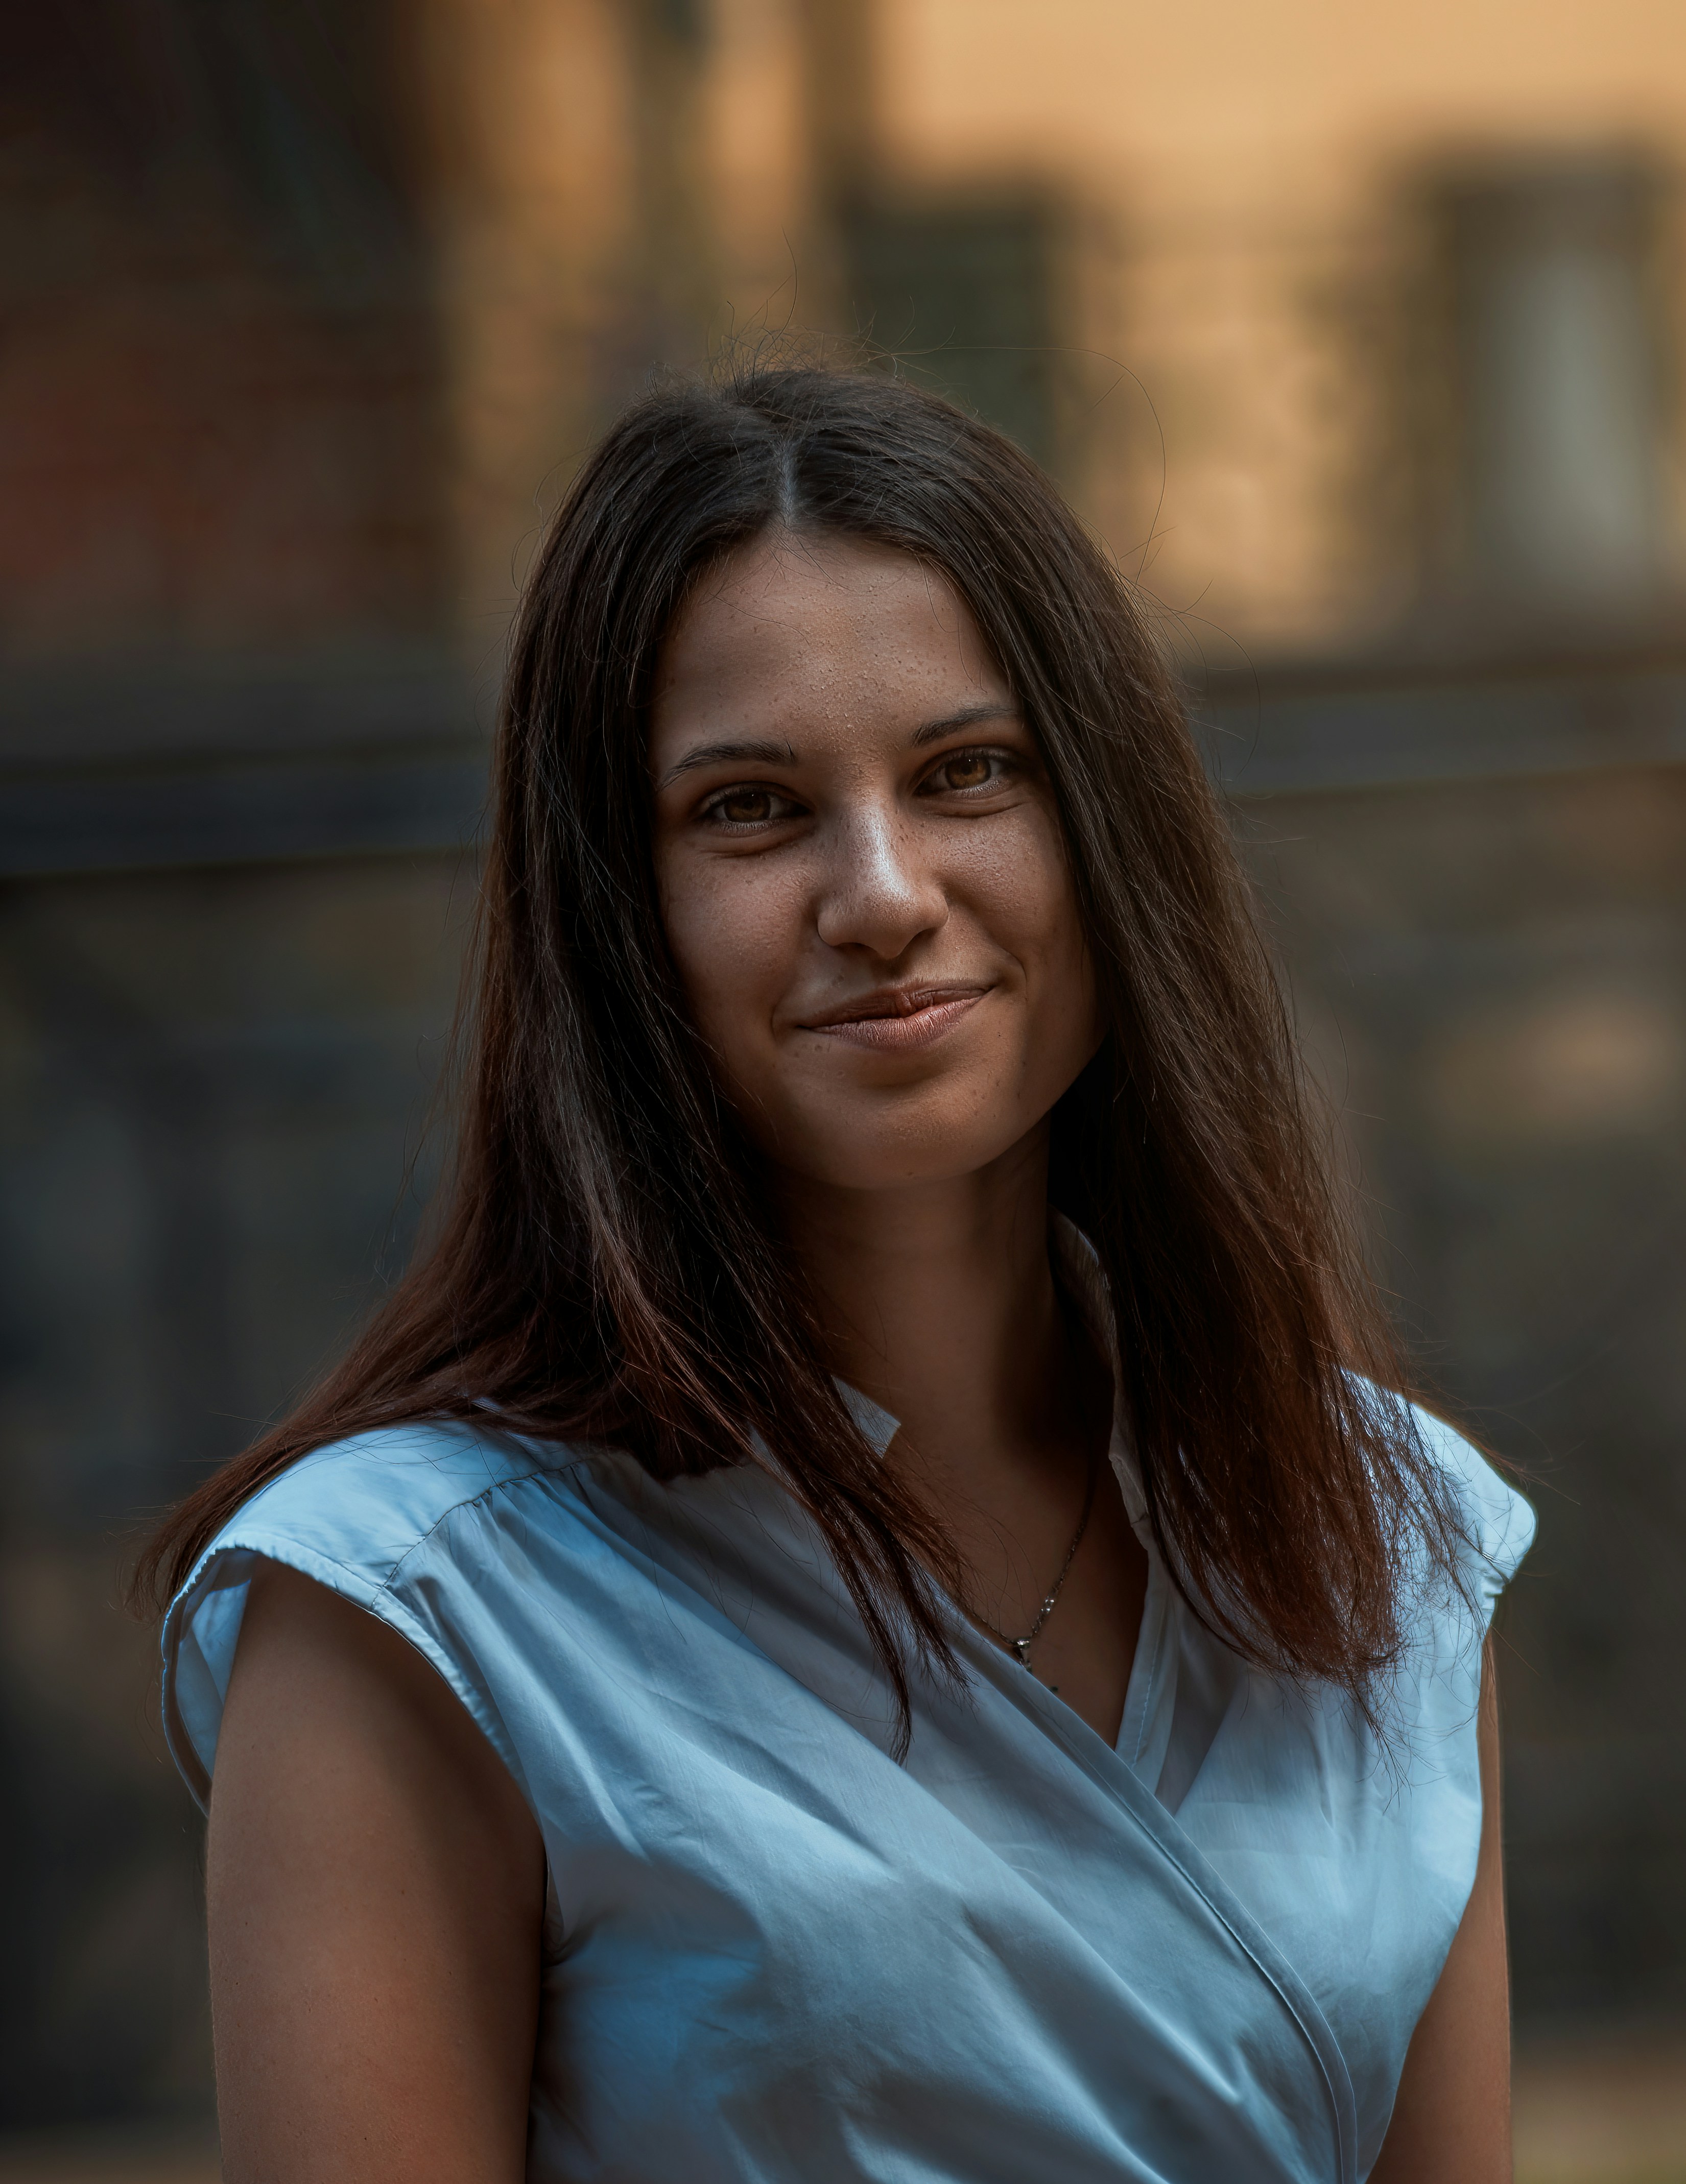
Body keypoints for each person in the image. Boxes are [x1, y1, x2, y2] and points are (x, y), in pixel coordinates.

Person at [146, 363, 1532, 2183]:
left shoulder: (1383, 1528)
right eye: (749, 809)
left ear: (1108, 830)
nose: (880, 890)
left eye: (968, 774)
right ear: (613, 909)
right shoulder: (413, 1617)